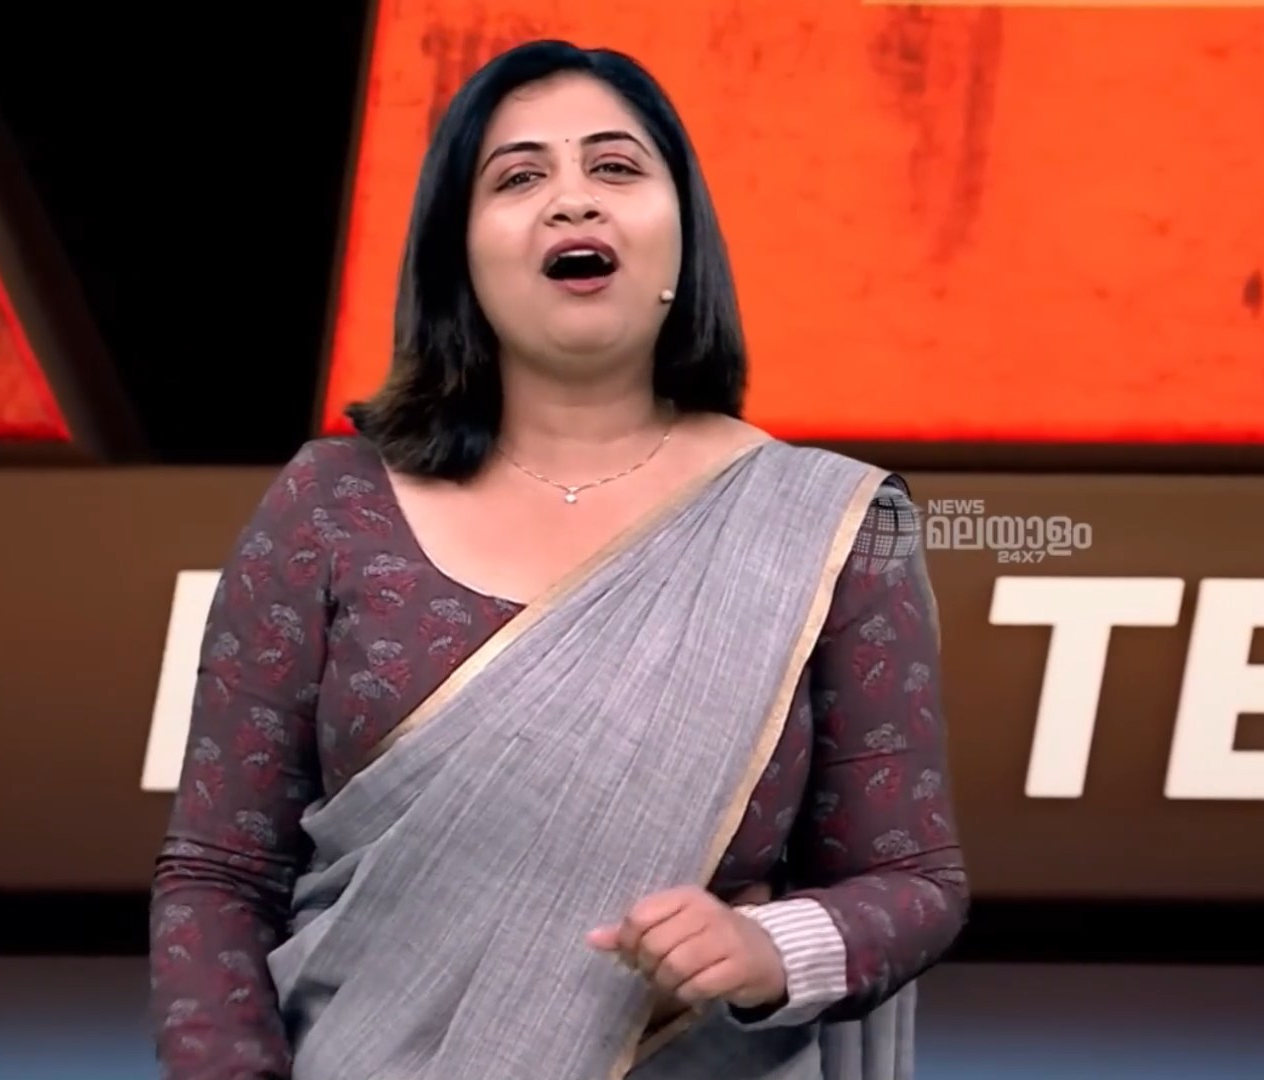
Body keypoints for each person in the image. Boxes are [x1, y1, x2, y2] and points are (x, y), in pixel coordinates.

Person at [147, 39, 967, 1080]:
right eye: (518, 177)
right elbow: (219, 877)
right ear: (460, 255)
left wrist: (769, 950)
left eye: (615, 167)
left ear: (682, 237)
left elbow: (915, 882)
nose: (573, 200)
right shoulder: (331, 505)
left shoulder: (830, 525)